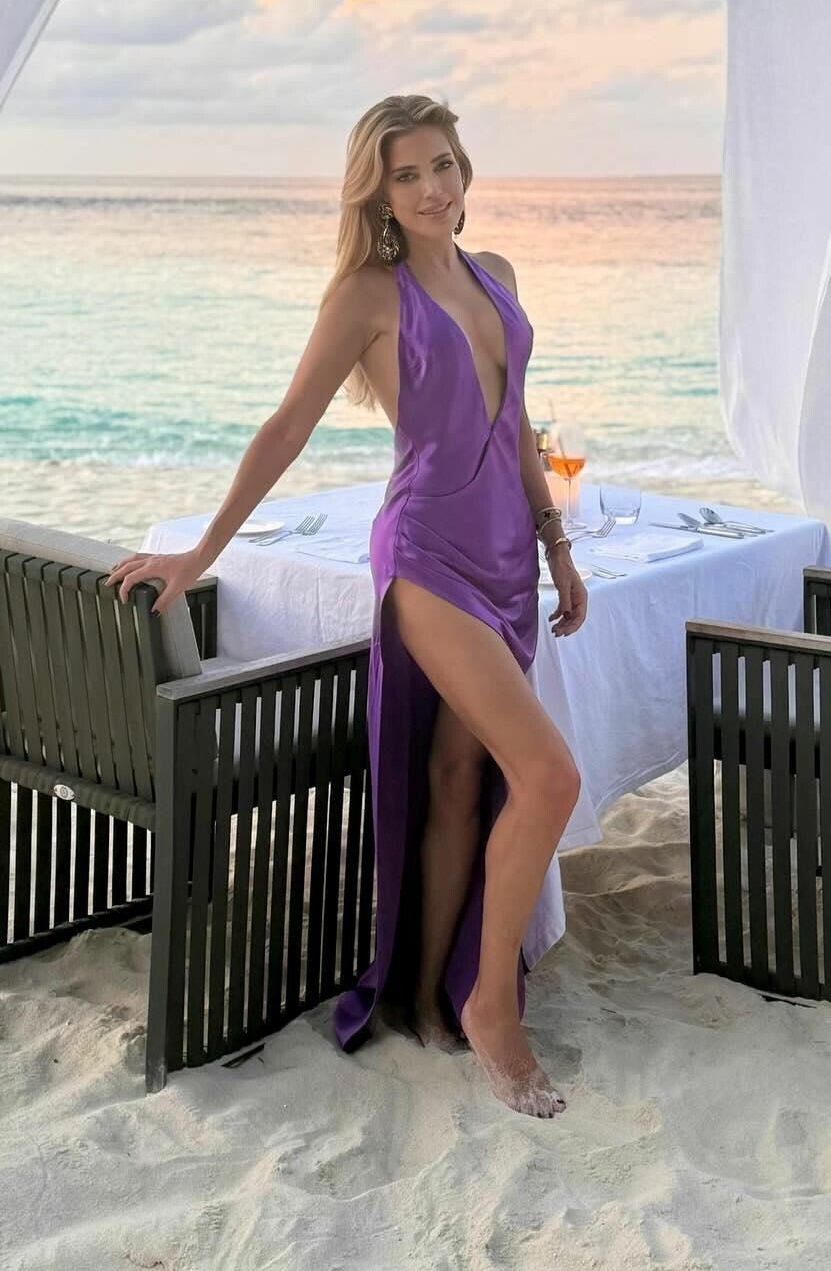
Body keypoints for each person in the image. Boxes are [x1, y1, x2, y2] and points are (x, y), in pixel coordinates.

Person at [106, 94, 588, 1118]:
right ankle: (490, 1007)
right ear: (379, 193)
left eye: (443, 164)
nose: (431, 188)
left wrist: (557, 545)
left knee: (458, 779)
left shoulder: (497, 275)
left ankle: (428, 999)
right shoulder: (367, 295)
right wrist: (200, 552)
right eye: (407, 174)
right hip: (427, 555)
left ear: (464, 167)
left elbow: (517, 425)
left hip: (509, 558)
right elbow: (286, 427)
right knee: (548, 776)